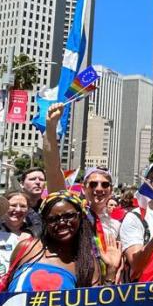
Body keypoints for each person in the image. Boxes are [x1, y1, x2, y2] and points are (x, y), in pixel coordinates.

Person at [40, 102, 122, 282]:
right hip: (73, 284)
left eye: (104, 185)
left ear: (111, 190)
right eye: (93, 184)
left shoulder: (116, 224)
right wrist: (51, 129)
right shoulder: (73, 212)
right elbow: (53, 170)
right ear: (84, 188)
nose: (99, 189)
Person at [19, 166, 47, 235]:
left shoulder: (48, 208)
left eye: (41, 179)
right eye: (32, 179)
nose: (37, 182)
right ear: (22, 184)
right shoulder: (13, 207)